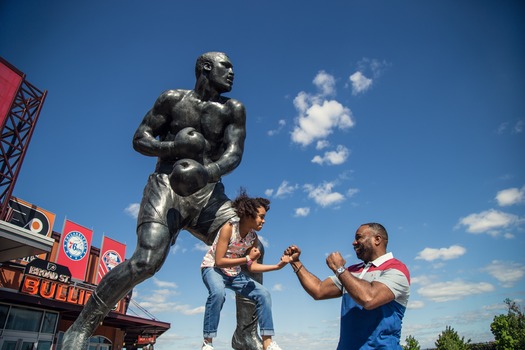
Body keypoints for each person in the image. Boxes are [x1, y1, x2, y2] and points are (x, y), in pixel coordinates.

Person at [61, 52, 249, 349]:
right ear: (205, 68)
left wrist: (206, 171)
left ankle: (245, 336)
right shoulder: (172, 99)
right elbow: (140, 138)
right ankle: (82, 325)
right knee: (147, 261)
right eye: (226, 66)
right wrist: (175, 146)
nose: (232, 72)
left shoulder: (233, 109)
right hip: (167, 186)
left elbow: (234, 154)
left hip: (207, 192)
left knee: (251, 248)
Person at [284, 223, 410, 350]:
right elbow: (318, 290)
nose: (354, 243)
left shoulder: (396, 269)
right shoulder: (351, 272)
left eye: (359, 237)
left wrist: (339, 269)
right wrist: (295, 262)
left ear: (377, 239)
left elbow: (369, 298)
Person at [200, 189, 289, 350]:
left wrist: (277, 266)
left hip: (234, 273)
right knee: (218, 293)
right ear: (249, 215)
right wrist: (247, 258)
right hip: (212, 269)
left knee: (263, 294)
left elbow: (252, 267)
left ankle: (268, 343)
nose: (263, 221)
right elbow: (219, 261)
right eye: (261, 217)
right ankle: (208, 342)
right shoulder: (229, 228)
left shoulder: (253, 238)